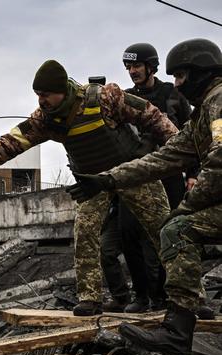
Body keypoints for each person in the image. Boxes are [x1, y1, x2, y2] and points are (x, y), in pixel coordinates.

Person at [0, 60, 178, 316]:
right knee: (85, 235)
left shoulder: (104, 97)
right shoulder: (45, 120)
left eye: (45, 95)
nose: (41, 101)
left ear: (61, 90)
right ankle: (90, 298)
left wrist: (182, 154)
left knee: (165, 231)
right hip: (92, 184)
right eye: (37, 96)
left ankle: (188, 296)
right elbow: (8, 144)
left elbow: (153, 117)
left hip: (132, 174)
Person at [66, 38, 222, 355]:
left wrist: (190, 204)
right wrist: (108, 179)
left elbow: (220, 158)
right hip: (184, 190)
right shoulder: (203, 111)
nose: (178, 84)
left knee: (176, 228)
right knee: (165, 230)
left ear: (202, 72)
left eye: (181, 76)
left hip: (208, 194)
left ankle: (179, 329)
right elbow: (166, 156)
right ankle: (176, 329)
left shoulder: (218, 101)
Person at [101, 43, 193, 313]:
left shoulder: (172, 95)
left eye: (137, 66)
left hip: (170, 176)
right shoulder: (125, 98)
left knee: (170, 236)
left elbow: (190, 136)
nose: (132, 71)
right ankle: (141, 296)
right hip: (136, 178)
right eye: (128, 67)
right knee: (129, 235)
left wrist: (194, 175)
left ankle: (166, 296)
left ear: (150, 66)